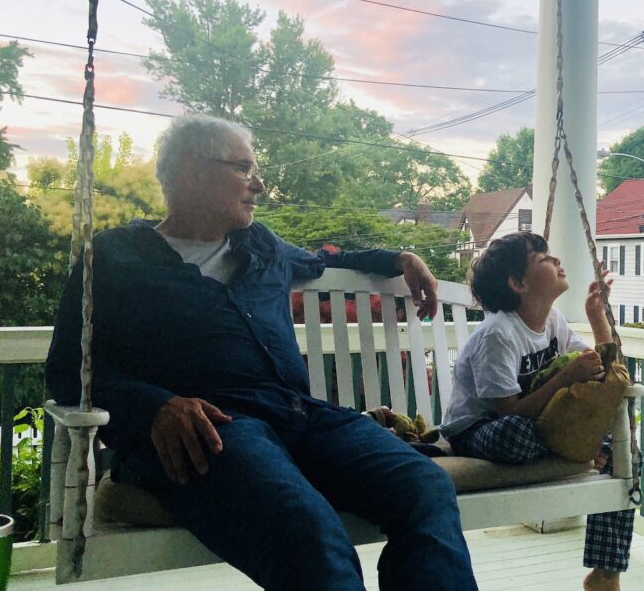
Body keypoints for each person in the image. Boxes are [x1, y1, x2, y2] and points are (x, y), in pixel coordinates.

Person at [45, 114, 477, 591]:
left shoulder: (262, 246)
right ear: (190, 171)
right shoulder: (114, 257)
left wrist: (399, 259)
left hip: (299, 415)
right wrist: (153, 406)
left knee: (424, 487)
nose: (261, 184)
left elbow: (326, 260)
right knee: (307, 531)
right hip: (210, 430)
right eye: (244, 168)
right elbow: (68, 371)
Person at [440, 232, 634, 591]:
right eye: (543, 258)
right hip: (479, 431)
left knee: (628, 454)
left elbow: (608, 373)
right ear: (517, 283)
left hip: (538, 427)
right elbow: (507, 413)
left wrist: (596, 317)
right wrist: (564, 379)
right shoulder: (498, 333)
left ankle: (605, 574)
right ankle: (586, 451)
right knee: (517, 435)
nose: (556, 260)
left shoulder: (554, 321)